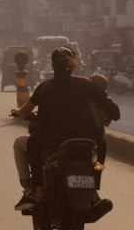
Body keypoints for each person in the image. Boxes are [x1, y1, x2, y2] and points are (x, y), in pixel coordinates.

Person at [11, 47, 117, 210]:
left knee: (27, 144)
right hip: (87, 140)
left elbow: (25, 111)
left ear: (53, 66)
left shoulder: (44, 87)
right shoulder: (85, 84)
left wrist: (17, 112)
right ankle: (94, 188)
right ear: (74, 64)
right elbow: (112, 109)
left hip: (52, 141)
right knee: (100, 158)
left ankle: (36, 190)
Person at [88, 71, 121, 167]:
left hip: (74, 133)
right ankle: (98, 172)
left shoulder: (80, 97)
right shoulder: (103, 99)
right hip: (95, 134)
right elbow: (116, 116)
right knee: (102, 149)